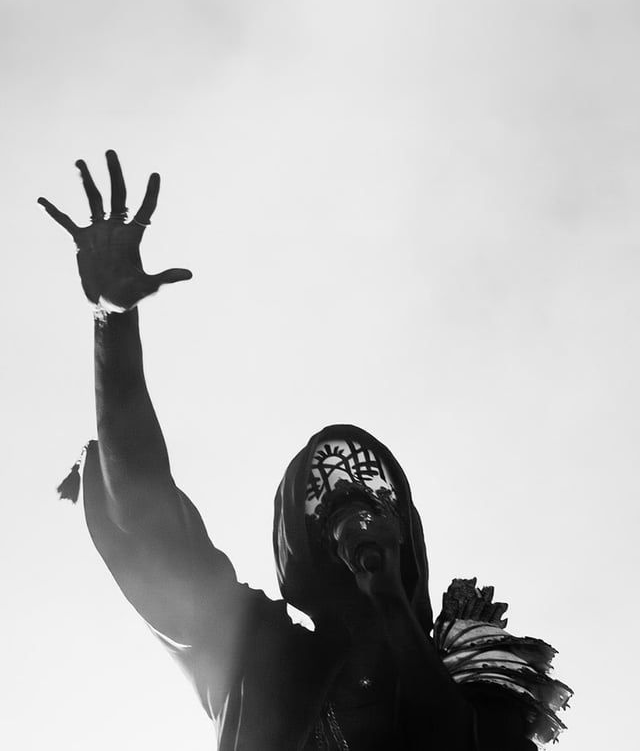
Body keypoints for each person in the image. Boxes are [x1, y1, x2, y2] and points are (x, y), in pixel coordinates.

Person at [40, 151, 571, 751]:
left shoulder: (473, 657)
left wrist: (392, 607)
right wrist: (114, 323)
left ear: (407, 523)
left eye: (370, 483)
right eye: (320, 491)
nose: (347, 492)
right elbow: (146, 510)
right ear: (295, 537)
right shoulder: (254, 656)